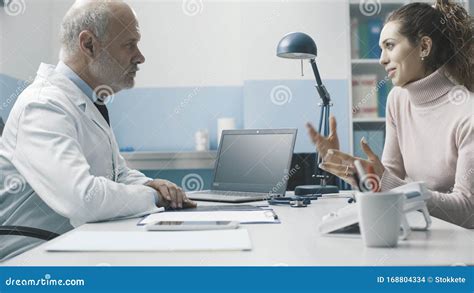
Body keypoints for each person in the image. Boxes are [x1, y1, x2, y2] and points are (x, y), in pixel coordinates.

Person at [0, 0, 196, 261]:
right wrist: (153, 196)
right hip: (32, 260)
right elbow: (84, 199)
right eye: (129, 44)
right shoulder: (43, 106)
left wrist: (149, 183)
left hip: (72, 245)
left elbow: (117, 174)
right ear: (89, 44)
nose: (140, 56)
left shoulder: (87, 102)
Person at [307, 0, 473, 228]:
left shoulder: (467, 112)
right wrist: (351, 169)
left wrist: (384, 180)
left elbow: (467, 210)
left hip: (457, 244)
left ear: (424, 47)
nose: (382, 59)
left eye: (390, 45)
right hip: (413, 228)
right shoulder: (398, 99)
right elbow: (389, 178)